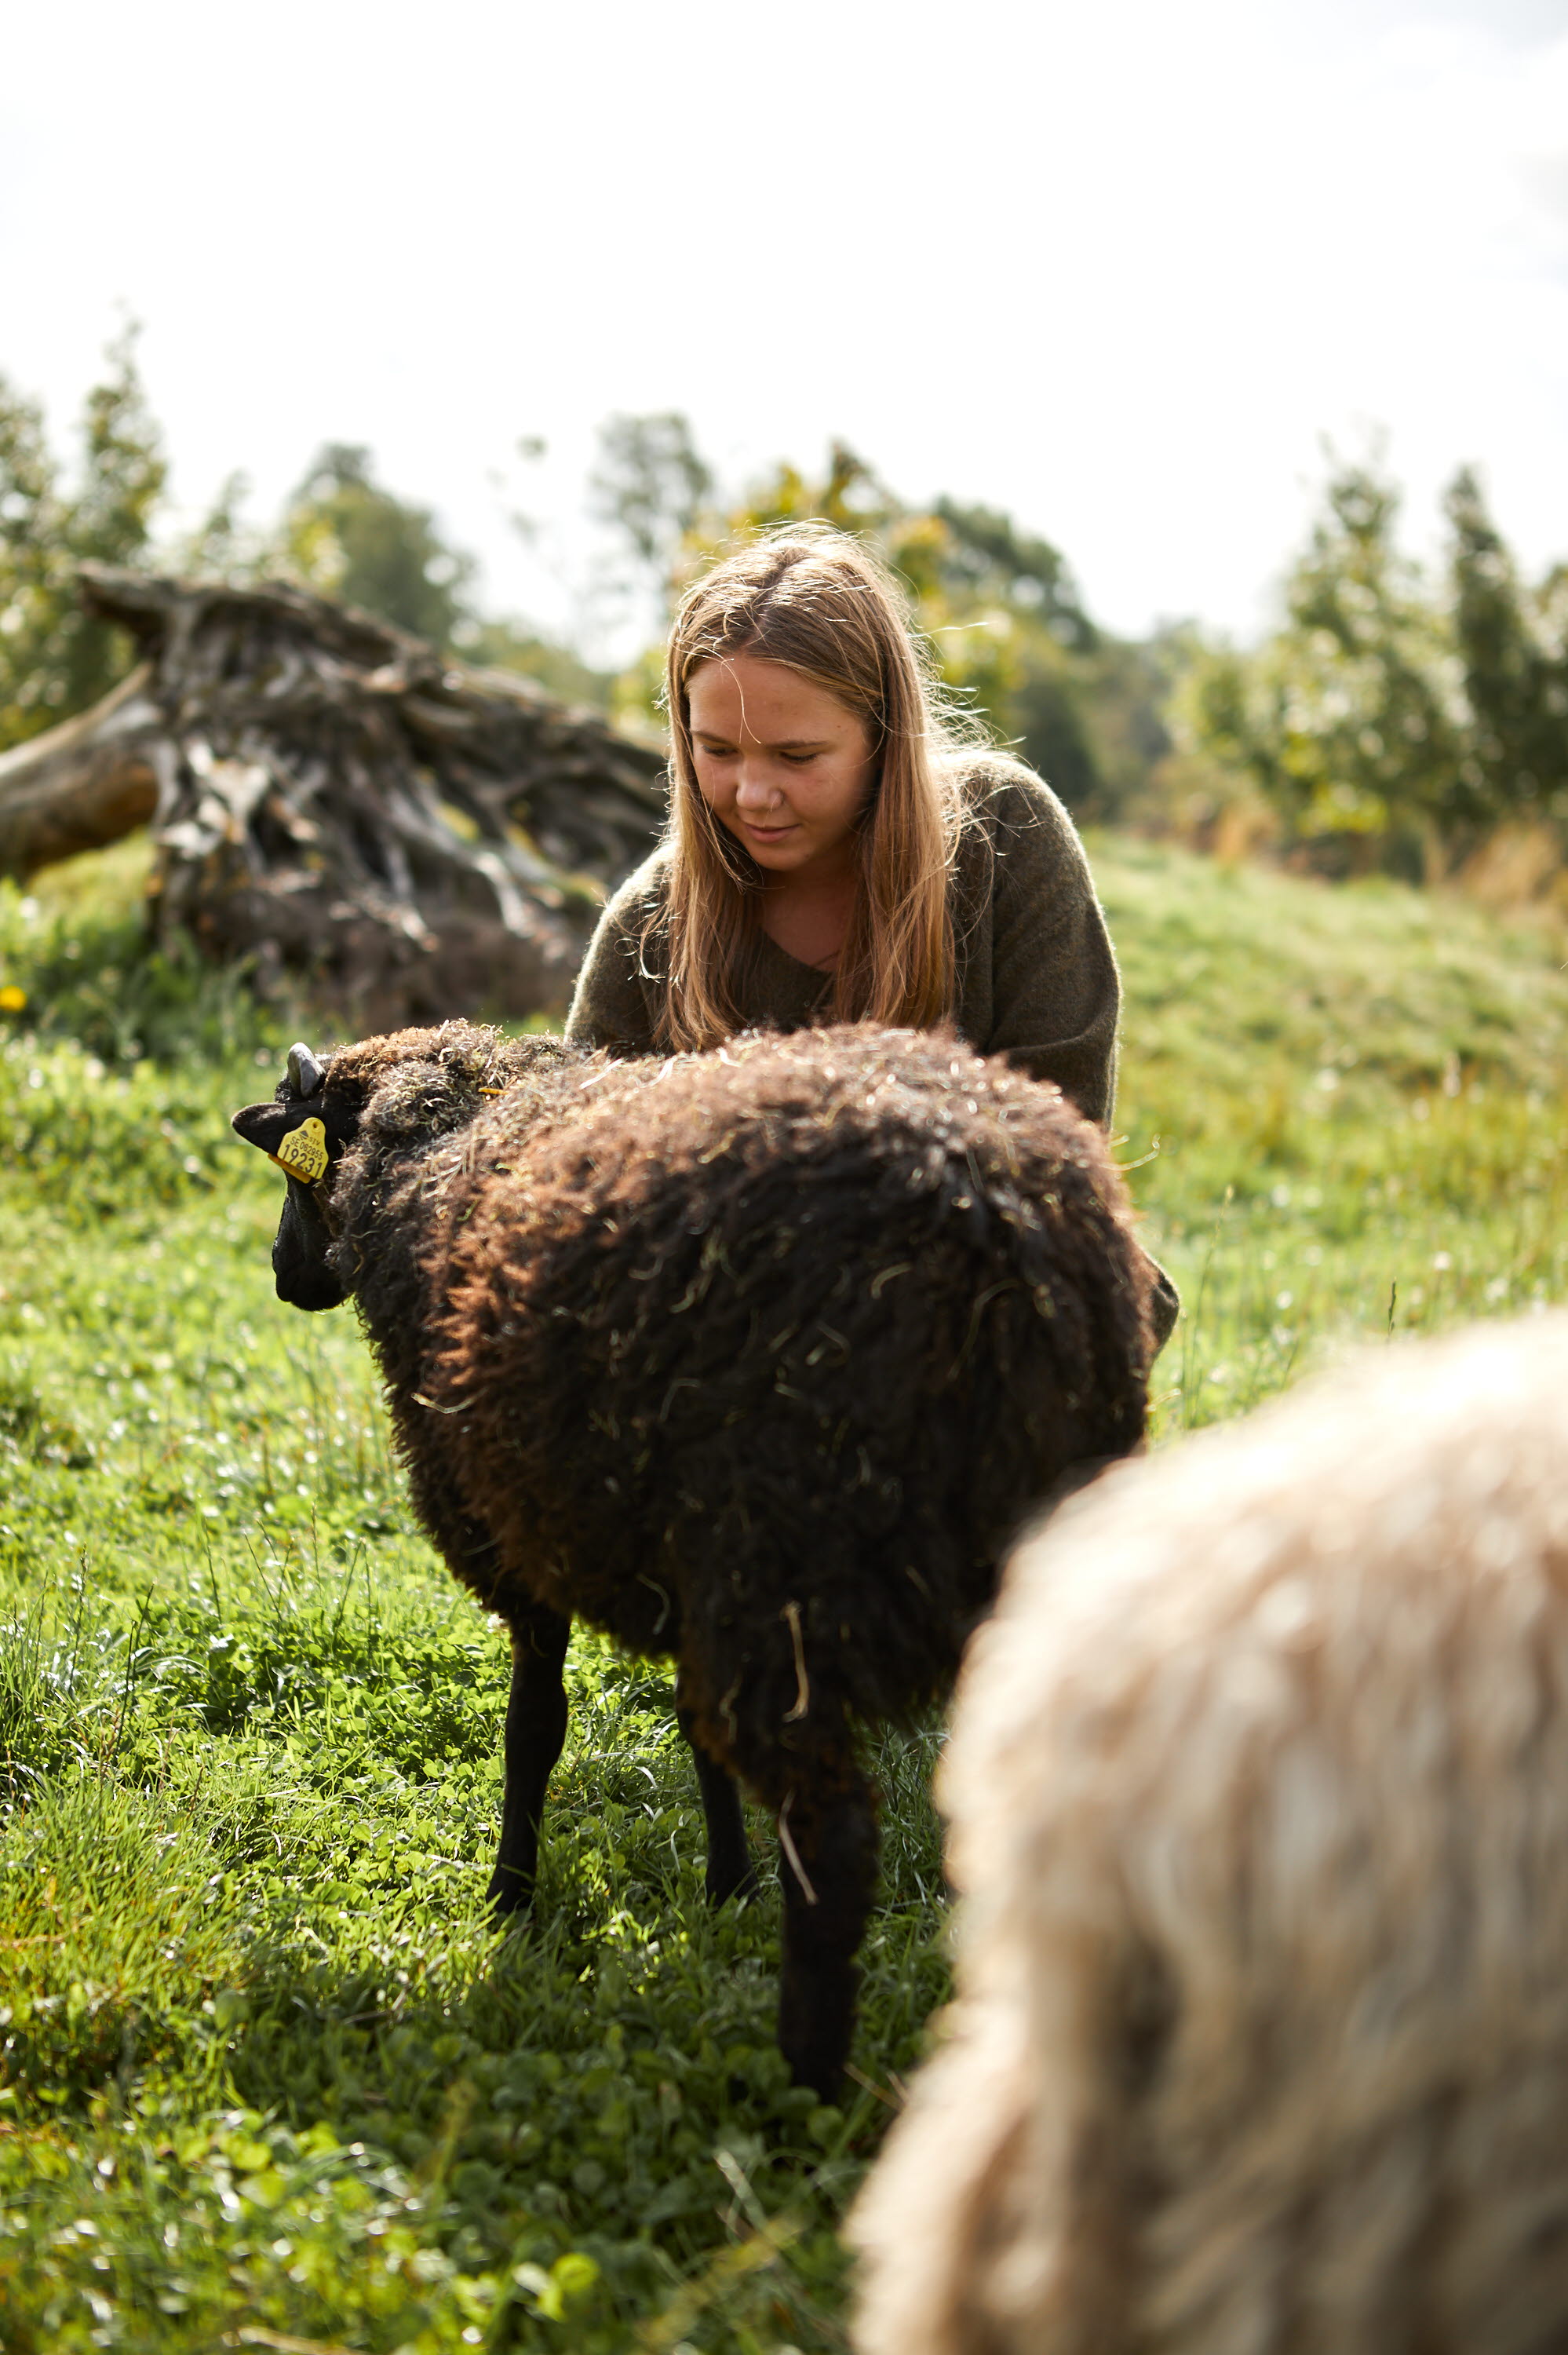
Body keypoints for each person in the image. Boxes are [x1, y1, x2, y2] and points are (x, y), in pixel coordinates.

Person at [566, 525, 1176, 1343]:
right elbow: (581, 1190)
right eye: (716, 749)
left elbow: (1063, 1158)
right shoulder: (650, 927)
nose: (752, 793)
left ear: (884, 736)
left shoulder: (1004, 838)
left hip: (983, 1297)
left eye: (797, 754)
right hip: (729, 1333)